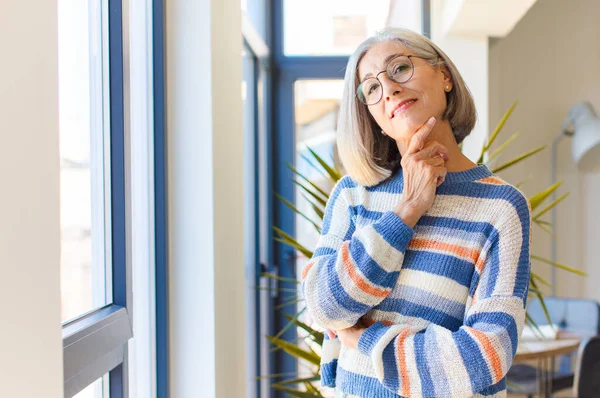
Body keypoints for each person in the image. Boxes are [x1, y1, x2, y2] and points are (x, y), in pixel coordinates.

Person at [301, 27, 531, 398]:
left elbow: (486, 357)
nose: (388, 88)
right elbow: (324, 306)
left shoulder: (500, 207)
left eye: (400, 68)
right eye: (372, 88)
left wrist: (362, 339)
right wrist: (406, 210)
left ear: (444, 75)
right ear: (372, 115)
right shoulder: (352, 196)